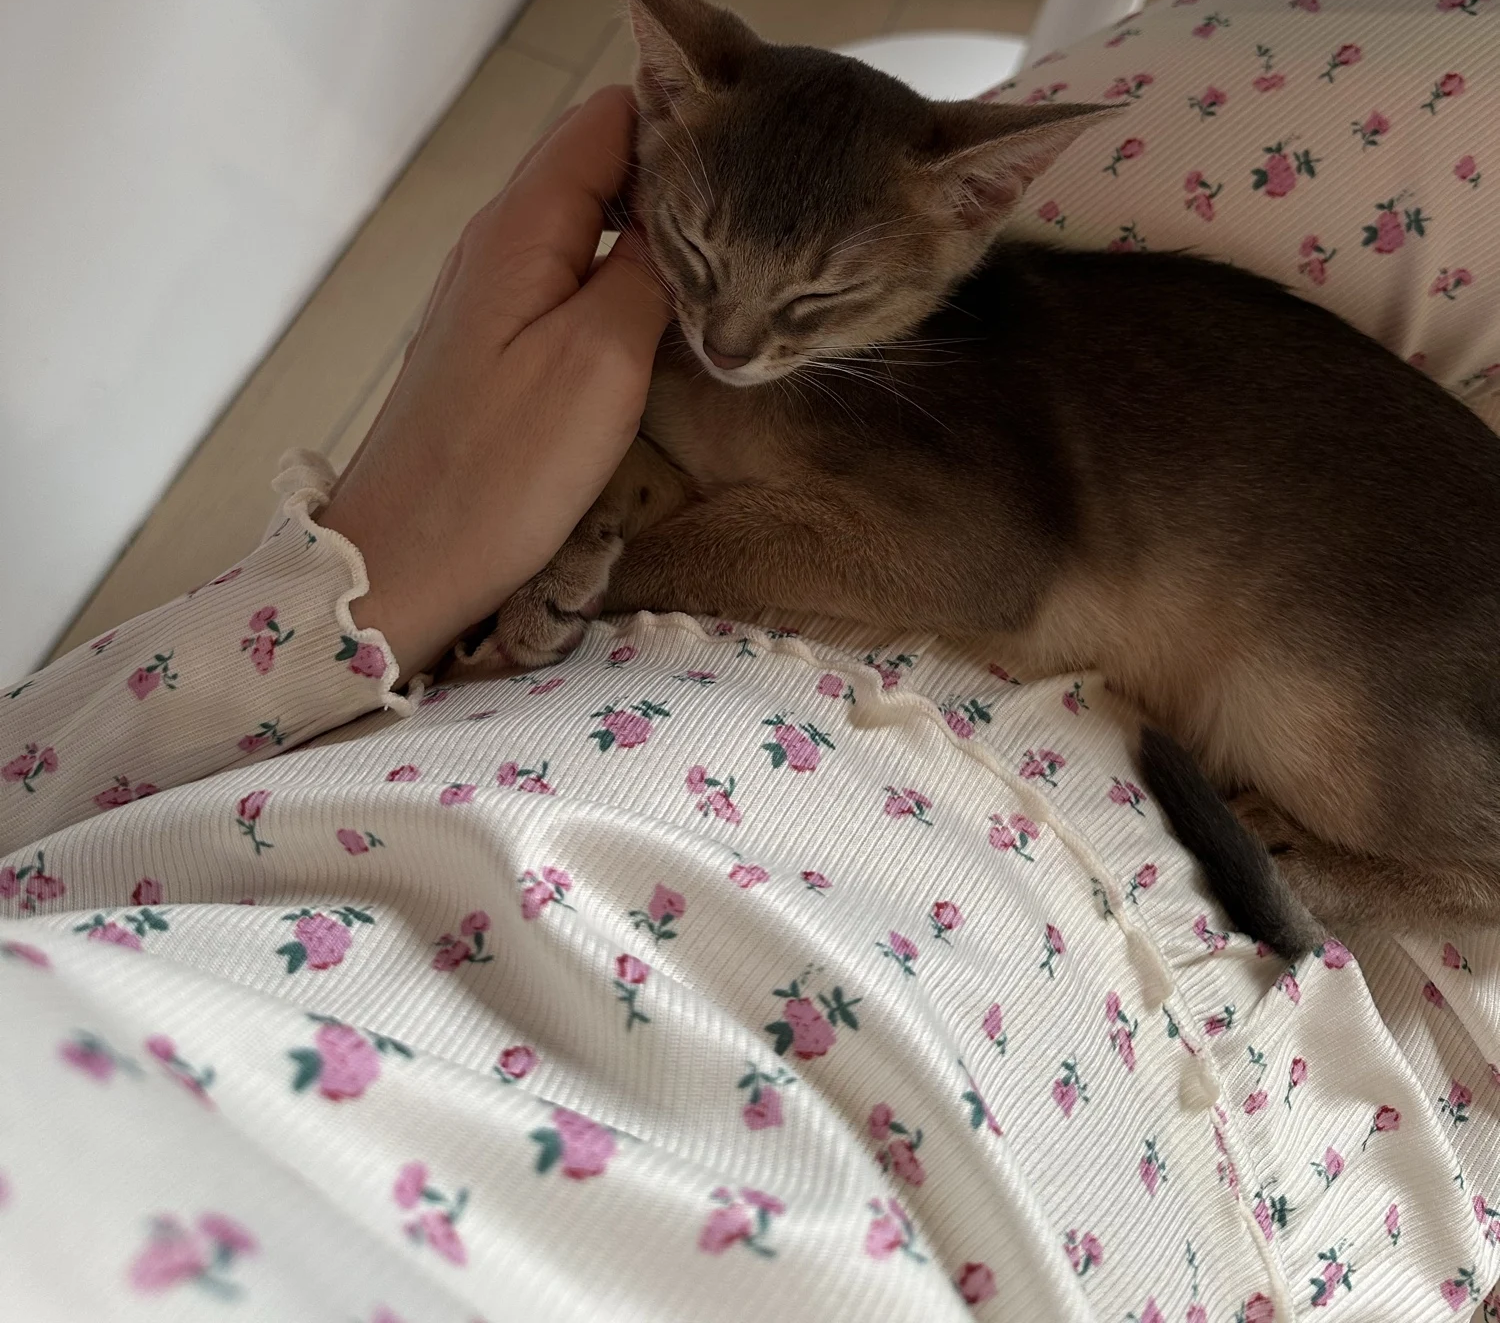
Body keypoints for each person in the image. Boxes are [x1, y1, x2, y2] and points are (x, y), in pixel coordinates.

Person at [2, 86, 1497, 1322]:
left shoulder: (930, 375)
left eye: (806, 300)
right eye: (699, 267)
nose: (726, 339)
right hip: (1037, 1028)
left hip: (1165, 760)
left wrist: (434, 558)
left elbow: (976, 567)